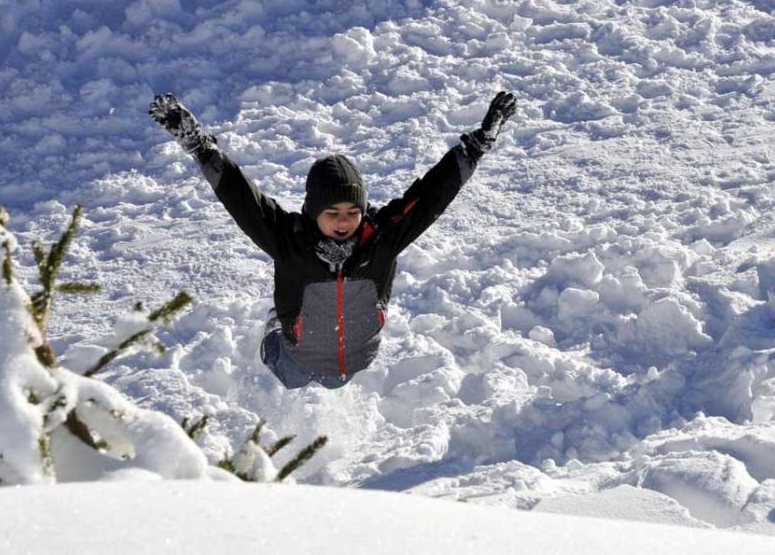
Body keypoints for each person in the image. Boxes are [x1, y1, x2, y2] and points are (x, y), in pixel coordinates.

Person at [149, 90, 516, 389]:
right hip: (296, 354)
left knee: (336, 384)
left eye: (352, 213)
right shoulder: (289, 241)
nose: (344, 222)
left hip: (357, 354)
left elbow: (431, 196)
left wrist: (474, 149)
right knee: (290, 381)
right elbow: (243, 199)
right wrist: (201, 148)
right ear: (313, 212)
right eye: (333, 213)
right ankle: (276, 327)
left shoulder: (382, 239)